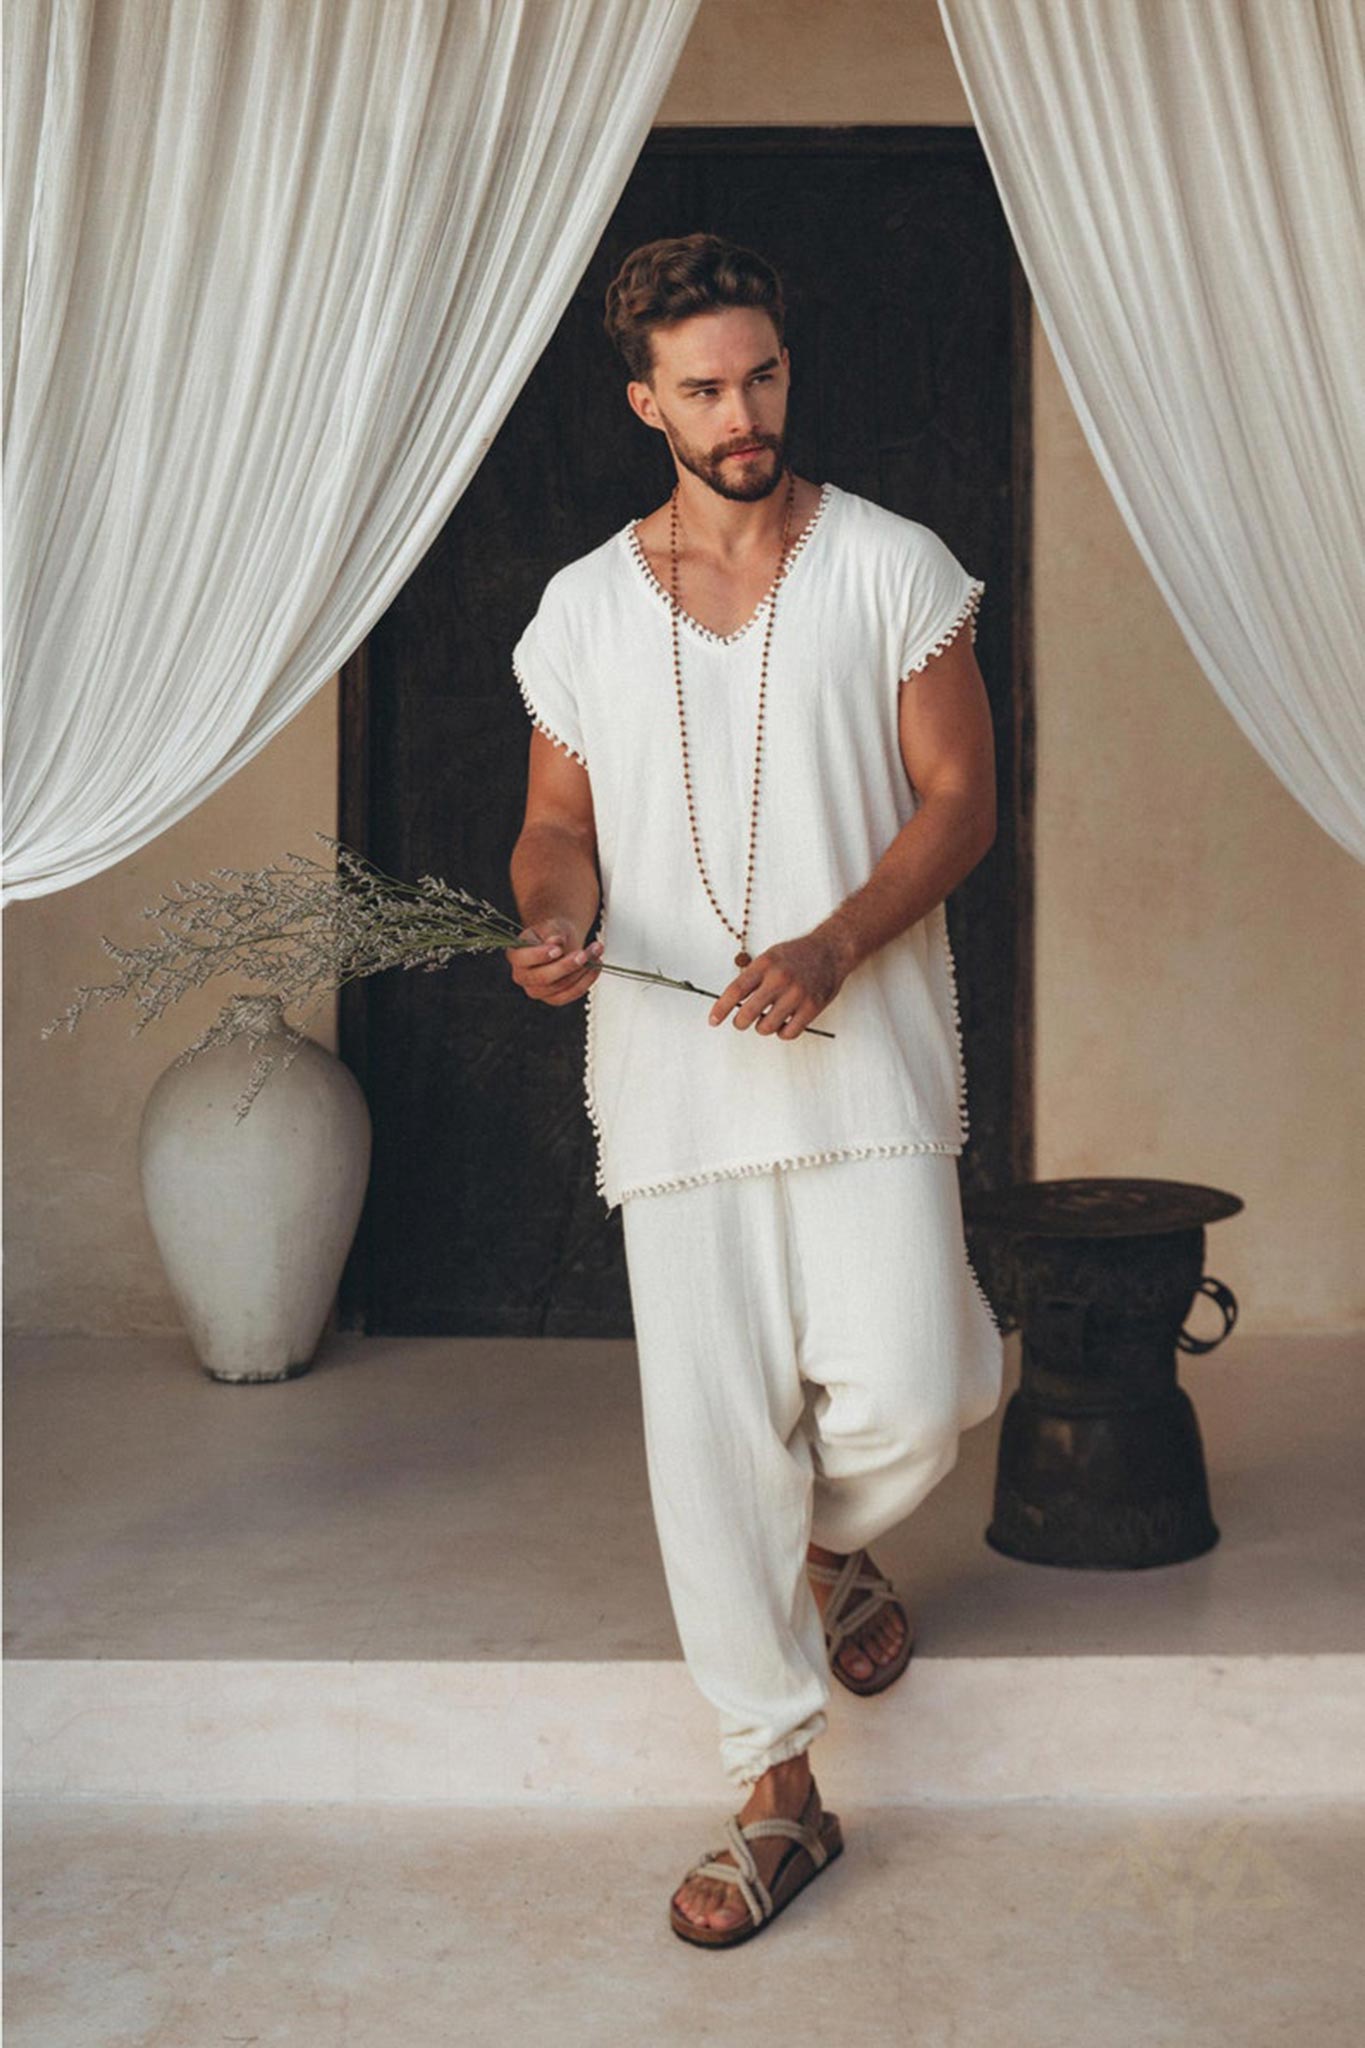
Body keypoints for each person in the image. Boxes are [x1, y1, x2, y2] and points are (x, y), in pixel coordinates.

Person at [505, 232, 1003, 1948]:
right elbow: (555, 826)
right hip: (668, 1072)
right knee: (707, 1433)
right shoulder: (578, 609)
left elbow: (957, 802)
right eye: (704, 388)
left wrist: (837, 939)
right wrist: (550, 921)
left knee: (921, 1390)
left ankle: (825, 1542)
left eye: (762, 375)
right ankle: (774, 1788)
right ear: (644, 401)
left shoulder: (889, 565)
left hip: (860, 1048)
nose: (743, 413)